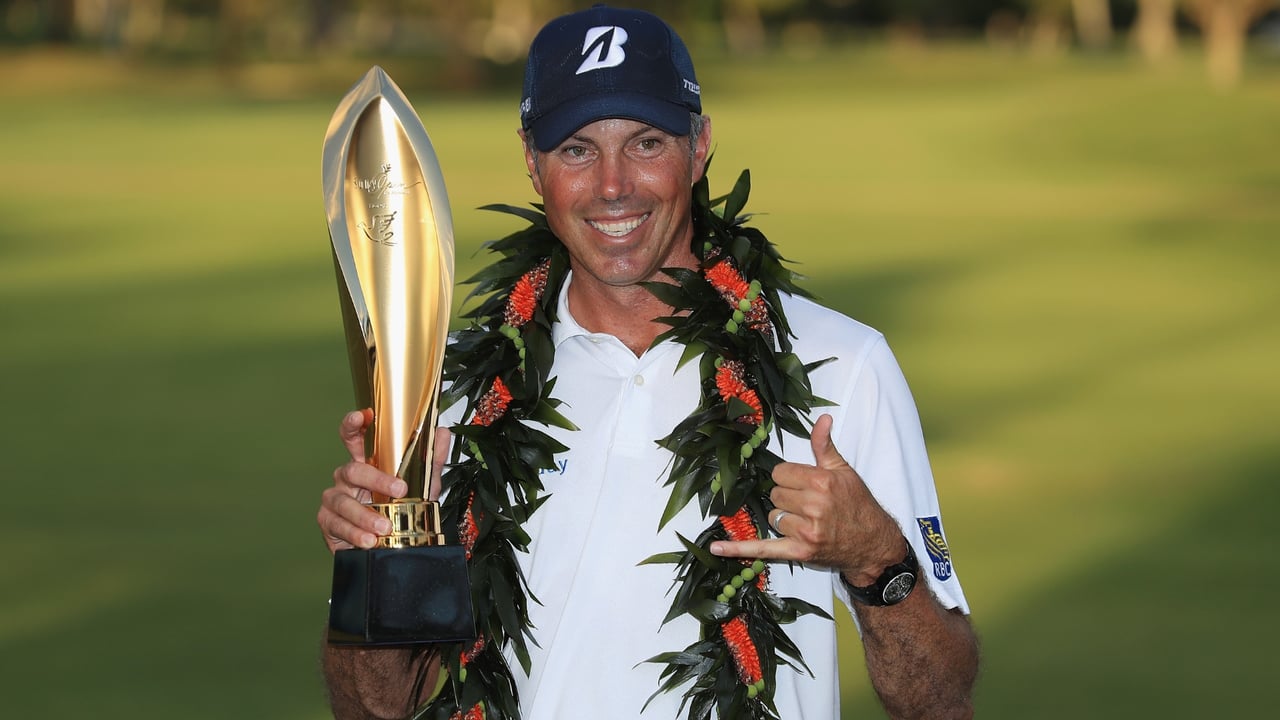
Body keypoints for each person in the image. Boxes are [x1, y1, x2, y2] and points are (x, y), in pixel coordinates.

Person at [317, 5, 979, 720]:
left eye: (646, 142)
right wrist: (372, 563)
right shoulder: (451, 388)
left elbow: (940, 700)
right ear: (532, 162)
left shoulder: (842, 366)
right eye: (577, 148)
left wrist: (878, 559)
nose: (613, 185)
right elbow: (375, 709)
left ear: (699, 147)